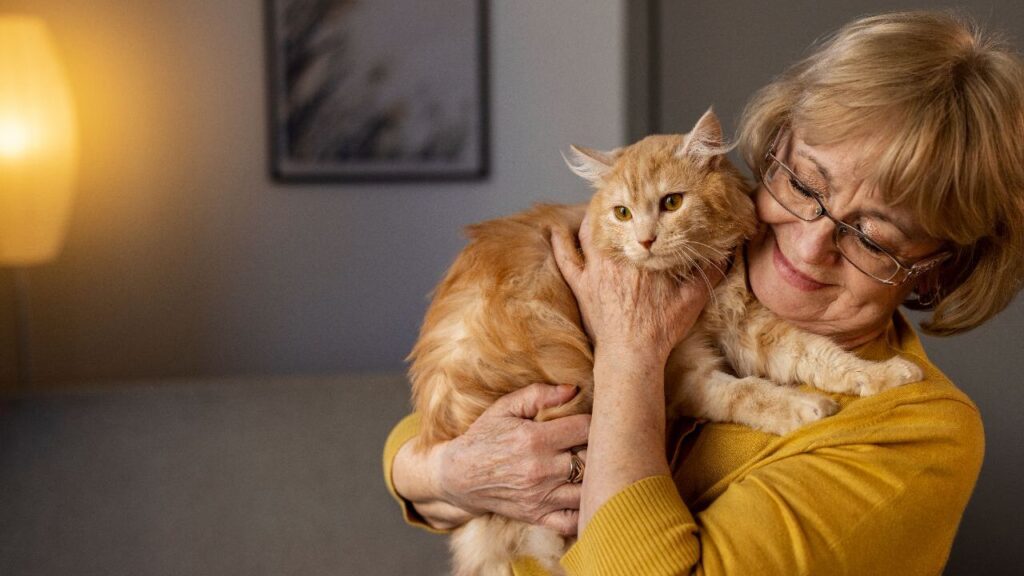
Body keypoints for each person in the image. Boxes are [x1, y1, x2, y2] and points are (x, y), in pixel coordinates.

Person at [383, 10, 1024, 575]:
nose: (805, 246)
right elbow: (428, 435)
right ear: (772, 151)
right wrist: (445, 474)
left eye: (873, 238)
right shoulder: (703, 263)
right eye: (802, 184)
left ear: (938, 270)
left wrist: (629, 355)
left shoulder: (919, 437)